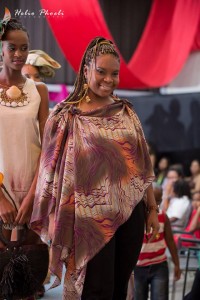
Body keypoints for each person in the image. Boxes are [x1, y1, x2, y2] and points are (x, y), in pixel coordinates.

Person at [30, 36, 159, 300]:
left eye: (114, 73)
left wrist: (153, 209)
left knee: (119, 287)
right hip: (88, 221)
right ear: (86, 69)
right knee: (96, 290)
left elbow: (142, 166)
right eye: (101, 71)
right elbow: (49, 171)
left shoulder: (126, 112)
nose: (108, 79)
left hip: (129, 215)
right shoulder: (66, 115)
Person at [0, 9, 49, 300]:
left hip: (32, 196)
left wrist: (33, 196)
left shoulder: (39, 91)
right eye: (12, 47)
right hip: (1, 193)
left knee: (28, 286)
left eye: (24, 48)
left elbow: (49, 149)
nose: (19, 54)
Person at [134, 184, 181, 300]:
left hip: (159, 265)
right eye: (152, 202)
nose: (155, 206)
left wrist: (177, 264)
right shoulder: (136, 217)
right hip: (138, 268)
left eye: (158, 201)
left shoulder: (163, 216)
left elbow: (170, 241)